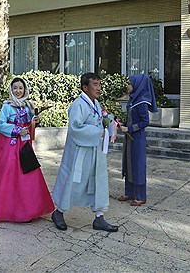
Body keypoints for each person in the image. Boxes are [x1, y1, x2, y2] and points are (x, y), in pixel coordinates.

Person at [51, 72, 118, 233]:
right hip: (80, 153)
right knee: (72, 182)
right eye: (95, 85)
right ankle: (58, 212)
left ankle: (99, 217)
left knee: (98, 181)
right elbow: (76, 128)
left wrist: (110, 122)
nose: (99, 88)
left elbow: (98, 120)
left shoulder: (94, 103)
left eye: (99, 85)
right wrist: (98, 132)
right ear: (85, 87)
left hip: (95, 151)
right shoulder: (78, 105)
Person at [0, 77, 54, 223]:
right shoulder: (7, 106)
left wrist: (34, 122)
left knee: (27, 176)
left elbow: (30, 124)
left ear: (25, 89)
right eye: (15, 88)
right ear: (11, 90)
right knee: (8, 176)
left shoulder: (28, 106)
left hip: (24, 146)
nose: (18, 91)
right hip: (9, 145)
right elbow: (1, 125)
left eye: (20, 88)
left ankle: (29, 210)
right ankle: (7, 210)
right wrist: (18, 130)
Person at [118, 74, 157, 206]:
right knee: (128, 163)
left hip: (137, 139)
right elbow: (130, 118)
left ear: (137, 85)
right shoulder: (133, 100)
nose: (127, 85)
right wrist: (121, 124)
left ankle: (140, 196)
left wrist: (129, 129)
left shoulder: (142, 102)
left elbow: (145, 122)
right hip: (129, 139)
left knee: (138, 166)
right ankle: (130, 192)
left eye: (129, 83)